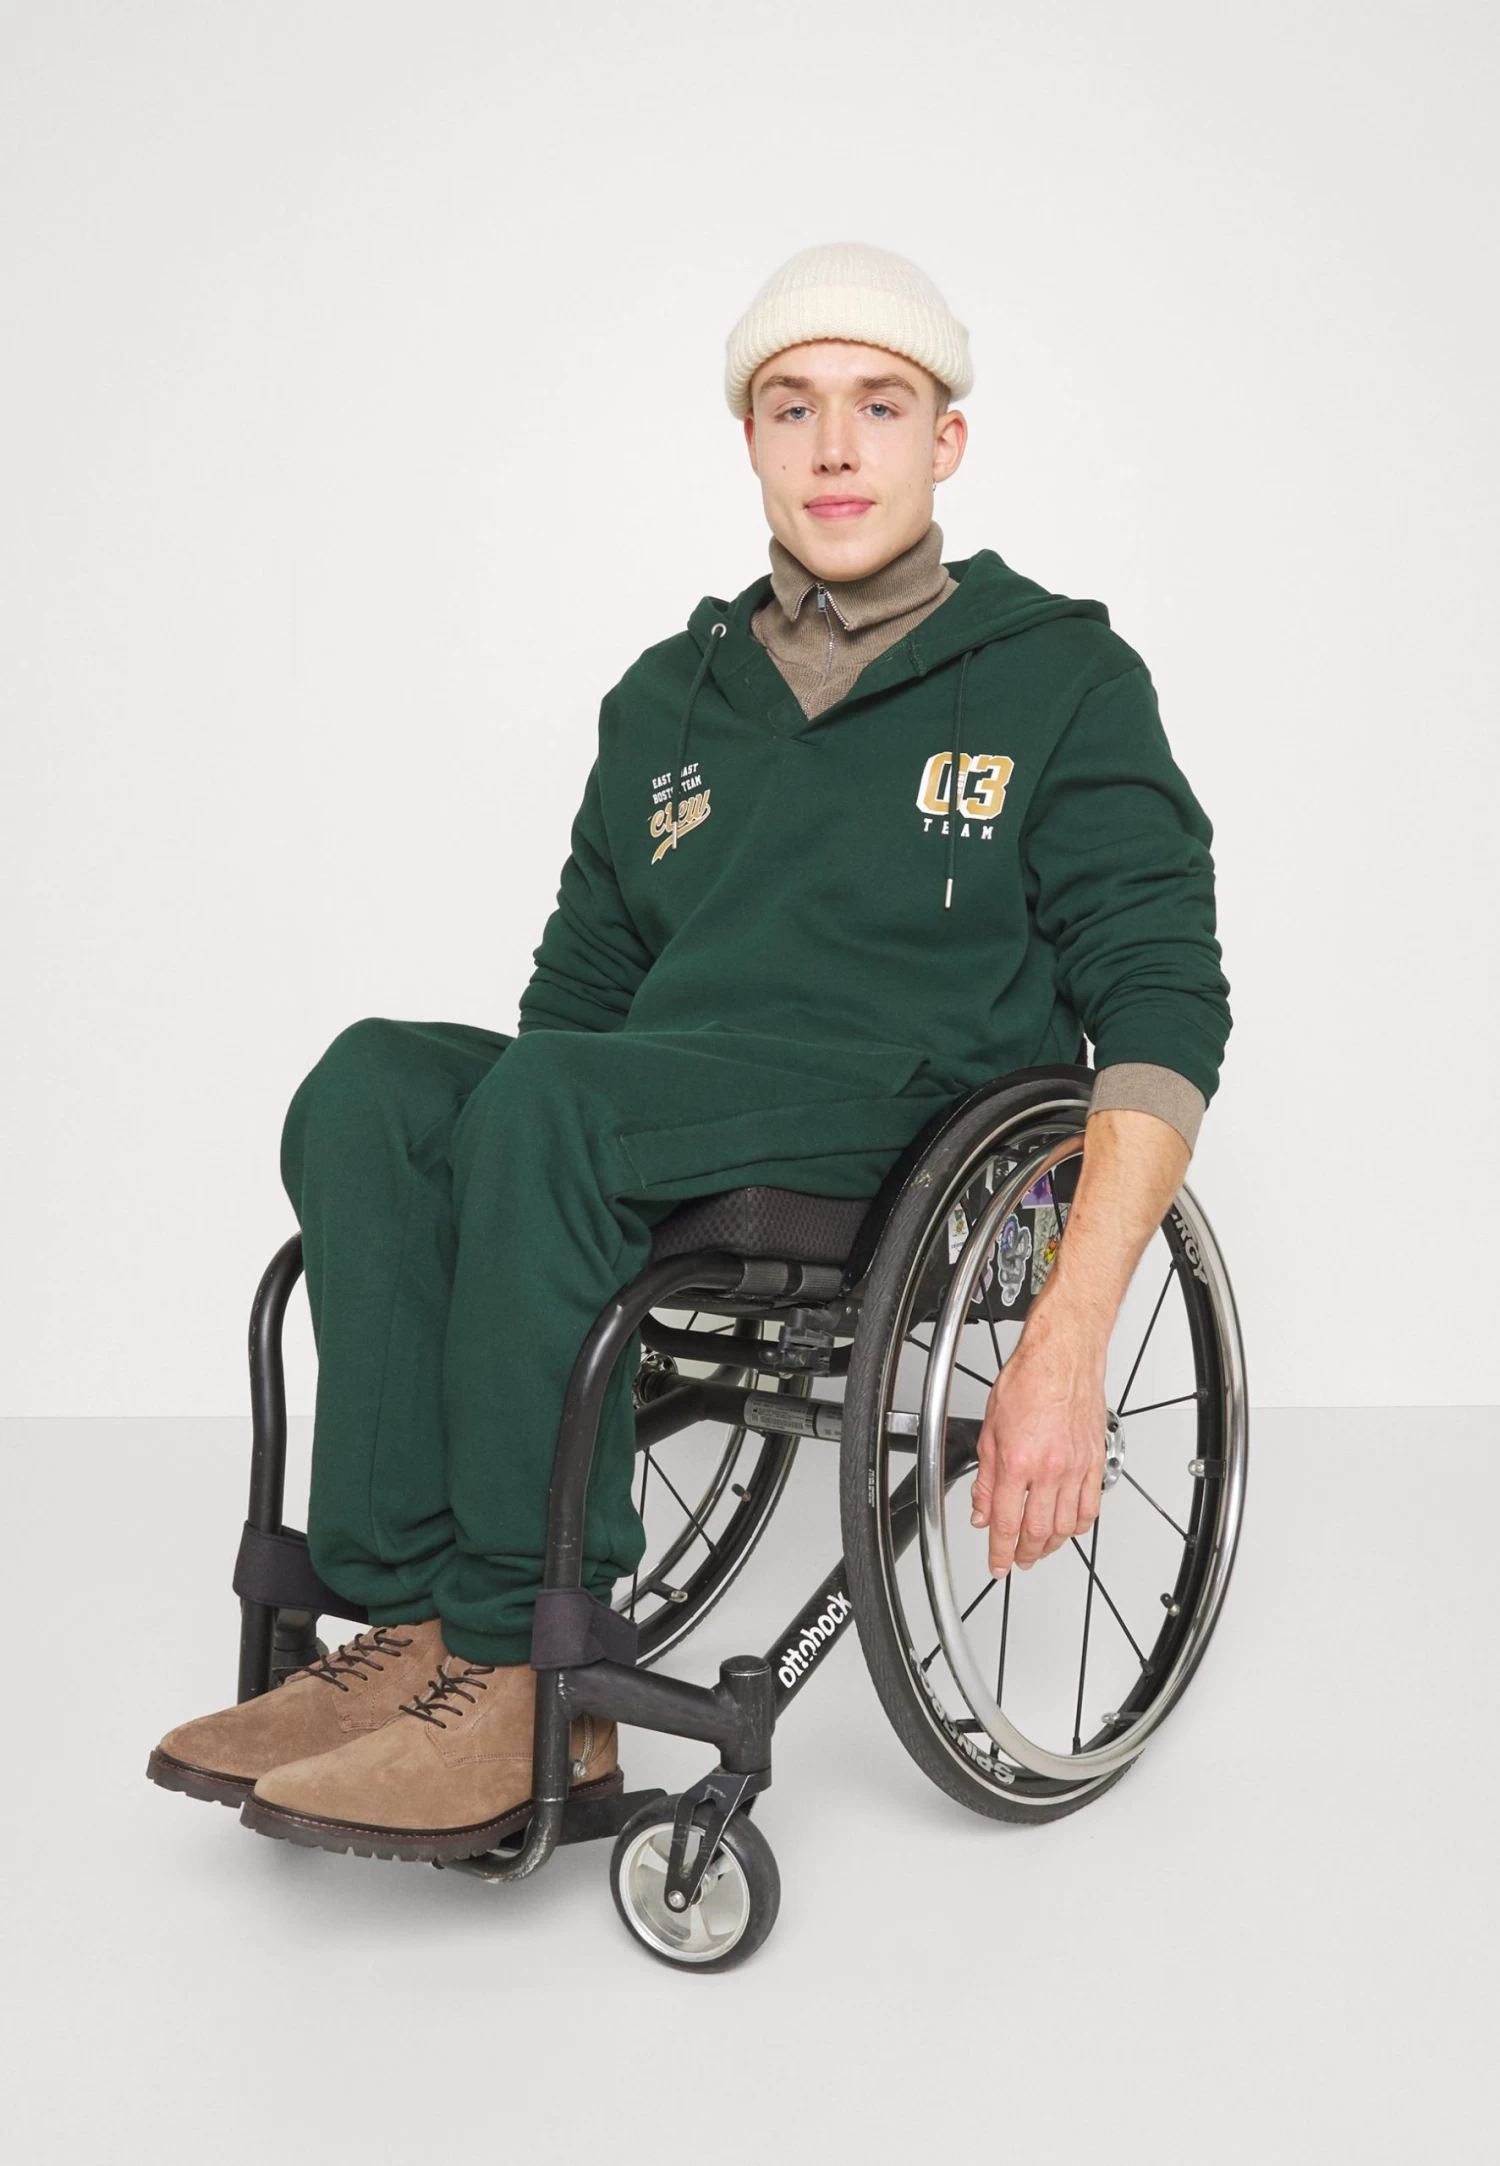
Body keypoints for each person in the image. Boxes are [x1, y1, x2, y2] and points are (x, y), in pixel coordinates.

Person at [147, 241, 1230, 1861]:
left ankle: (534, 1671)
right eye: (793, 407)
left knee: (554, 1106)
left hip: (912, 1115)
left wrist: (1068, 1337)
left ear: (947, 440)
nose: (835, 446)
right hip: (667, 1094)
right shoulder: (666, 699)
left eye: (880, 405)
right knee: (373, 1084)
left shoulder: (1063, 676)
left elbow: (1162, 1006)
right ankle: (420, 1625)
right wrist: (514, 1223)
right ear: (750, 440)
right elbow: (575, 1008)